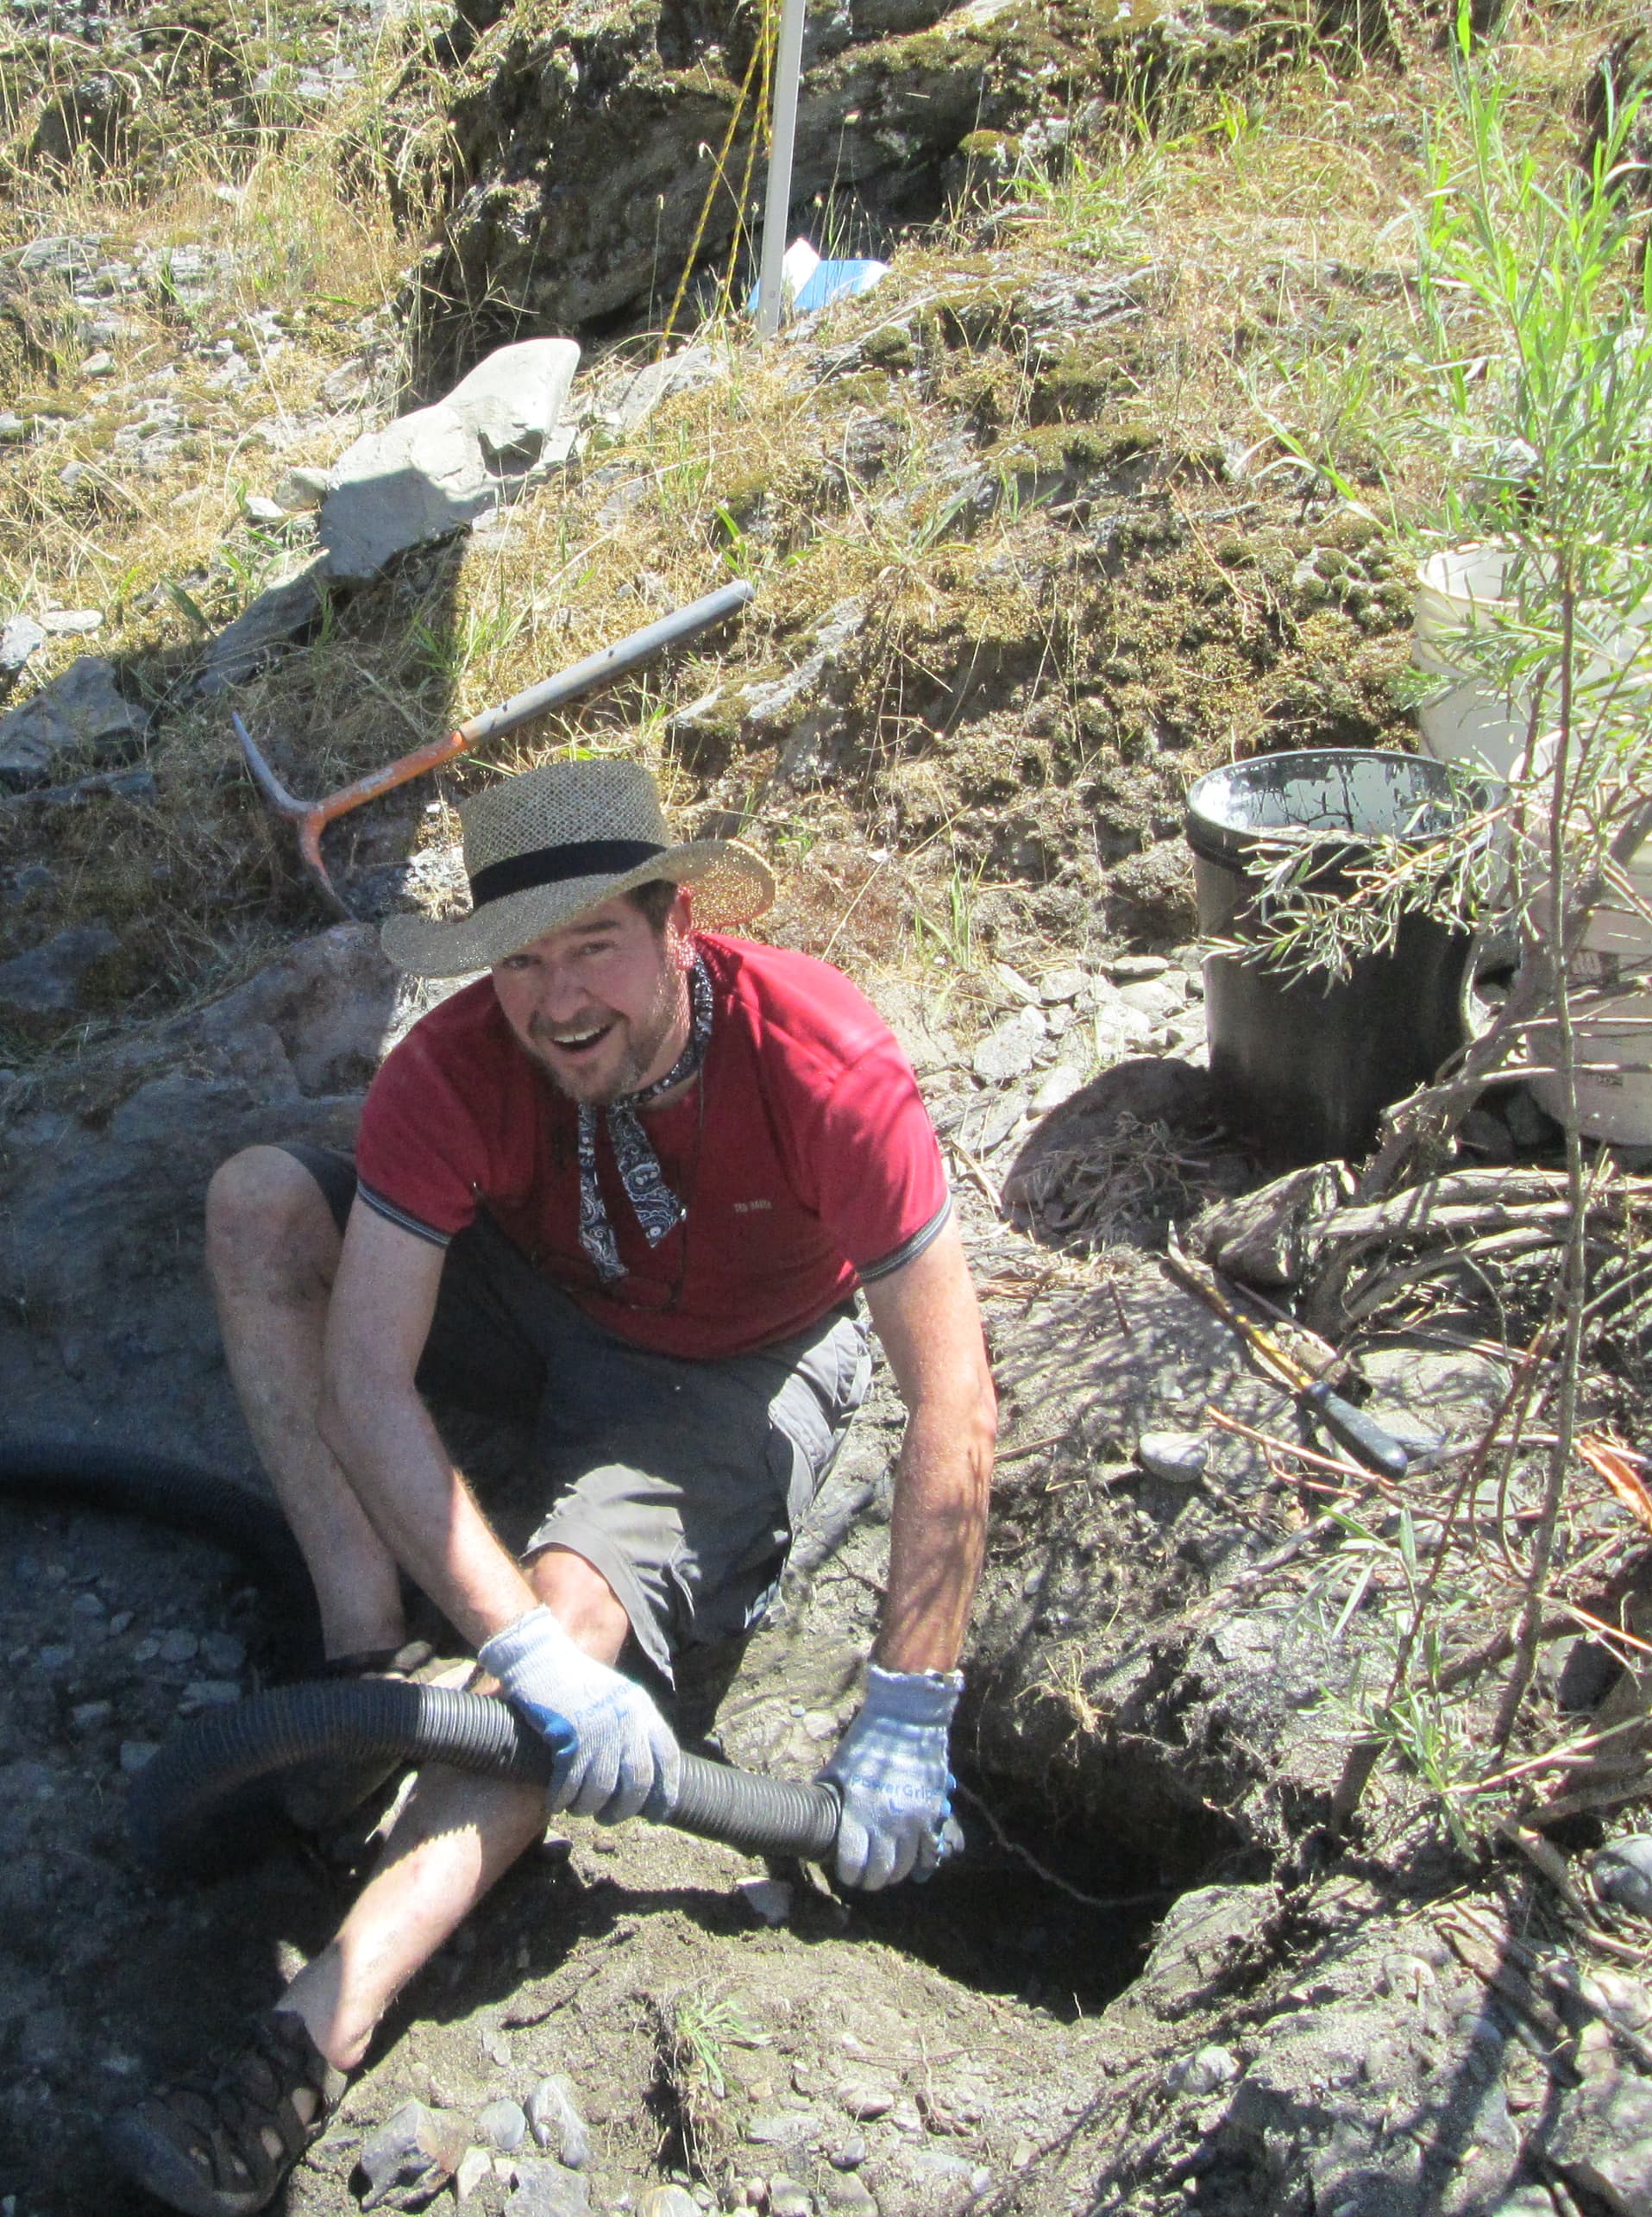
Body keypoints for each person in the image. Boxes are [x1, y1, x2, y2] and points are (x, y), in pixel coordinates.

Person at [104, 757, 1000, 2216]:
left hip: (725, 1367)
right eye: (521, 959)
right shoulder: (454, 1069)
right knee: (260, 1202)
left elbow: (954, 1394)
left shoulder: (823, 1065)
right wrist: (491, 1641)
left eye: (594, 946)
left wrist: (910, 1705)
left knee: (572, 1623)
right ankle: (361, 1661)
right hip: (537, 1294)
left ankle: (302, 2040)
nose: (556, 997)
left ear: (680, 925)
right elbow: (366, 1378)